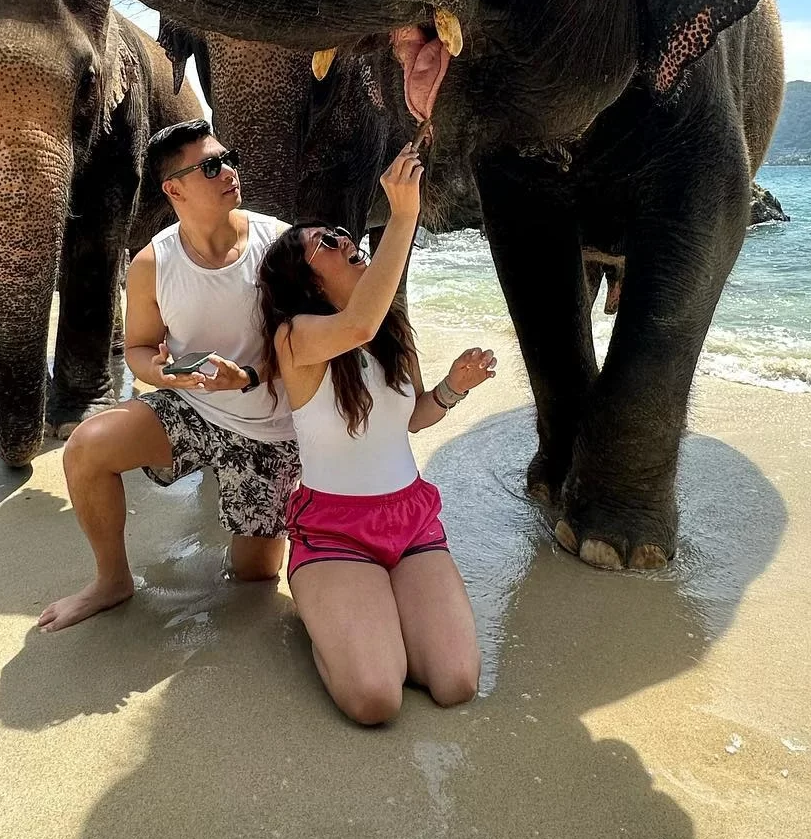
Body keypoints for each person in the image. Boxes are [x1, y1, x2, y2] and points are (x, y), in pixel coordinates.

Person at [257, 144, 496, 726]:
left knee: (456, 682)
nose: (347, 241)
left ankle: (377, 620)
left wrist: (450, 389)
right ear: (304, 281)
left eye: (345, 234)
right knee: (374, 700)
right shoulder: (296, 339)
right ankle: (330, 625)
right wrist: (405, 215)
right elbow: (356, 322)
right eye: (327, 243)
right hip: (336, 529)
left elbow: (410, 418)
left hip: (409, 518)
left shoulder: (393, 332)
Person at [38, 119, 299, 632]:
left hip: (269, 430)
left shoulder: (279, 245)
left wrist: (244, 377)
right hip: (194, 406)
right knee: (86, 448)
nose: (228, 171)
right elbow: (136, 347)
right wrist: (157, 371)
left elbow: (306, 348)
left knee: (254, 577)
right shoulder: (152, 262)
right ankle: (111, 580)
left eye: (227, 158)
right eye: (210, 166)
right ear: (174, 188)